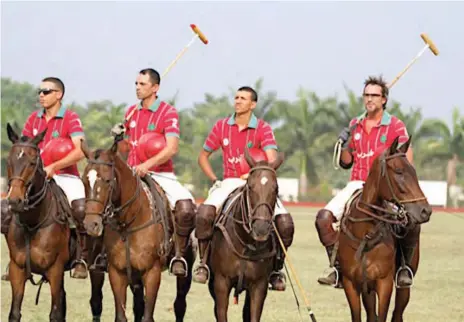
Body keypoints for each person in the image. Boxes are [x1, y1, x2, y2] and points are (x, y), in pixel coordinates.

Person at [315, 75, 416, 288]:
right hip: (357, 184)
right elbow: (347, 162)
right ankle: (337, 267)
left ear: (384, 100)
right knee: (323, 218)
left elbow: (406, 161)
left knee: (410, 221)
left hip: (386, 187)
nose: (369, 99)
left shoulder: (395, 126)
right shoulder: (355, 124)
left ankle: (404, 267)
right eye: (366, 95)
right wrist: (343, 144)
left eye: (374, 95)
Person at [192, 86, 295, 291]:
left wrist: (255, 174)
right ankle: (203, 262)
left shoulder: (263, 128)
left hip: (257, 184)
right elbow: (203, 156)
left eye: (243, 98)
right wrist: (214, 179)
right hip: (230, 181)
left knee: (285, 223)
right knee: (204, 213)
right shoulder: (222, 126)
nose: (238, 101)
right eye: (236, 97)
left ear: (253, 104)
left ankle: (276, 268)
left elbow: (272, 158)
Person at [111, 68, 196, 277]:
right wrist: (119, 138)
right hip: (132, 173)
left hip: (160, 174)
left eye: (143, 84)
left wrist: (147, 165)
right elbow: (125, 149)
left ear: (155, 88)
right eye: (136, 84)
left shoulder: (168, 112)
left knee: (185, 206)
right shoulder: (131, 112)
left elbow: (172, 148)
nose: (138, 88)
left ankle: (178, 255)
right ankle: (101, 254)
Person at [1, 77, 88, 279]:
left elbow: (80, 151)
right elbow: (22, 150)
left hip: (65, 176)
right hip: (35, 179)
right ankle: (15, 258)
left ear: (59, 94)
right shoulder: (33, 119)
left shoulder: (71, 118)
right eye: (40, 91)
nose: (41, 95)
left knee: (81, 209)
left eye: (47, 91)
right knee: (6, 211)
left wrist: (55, 166)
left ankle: (81, 258)